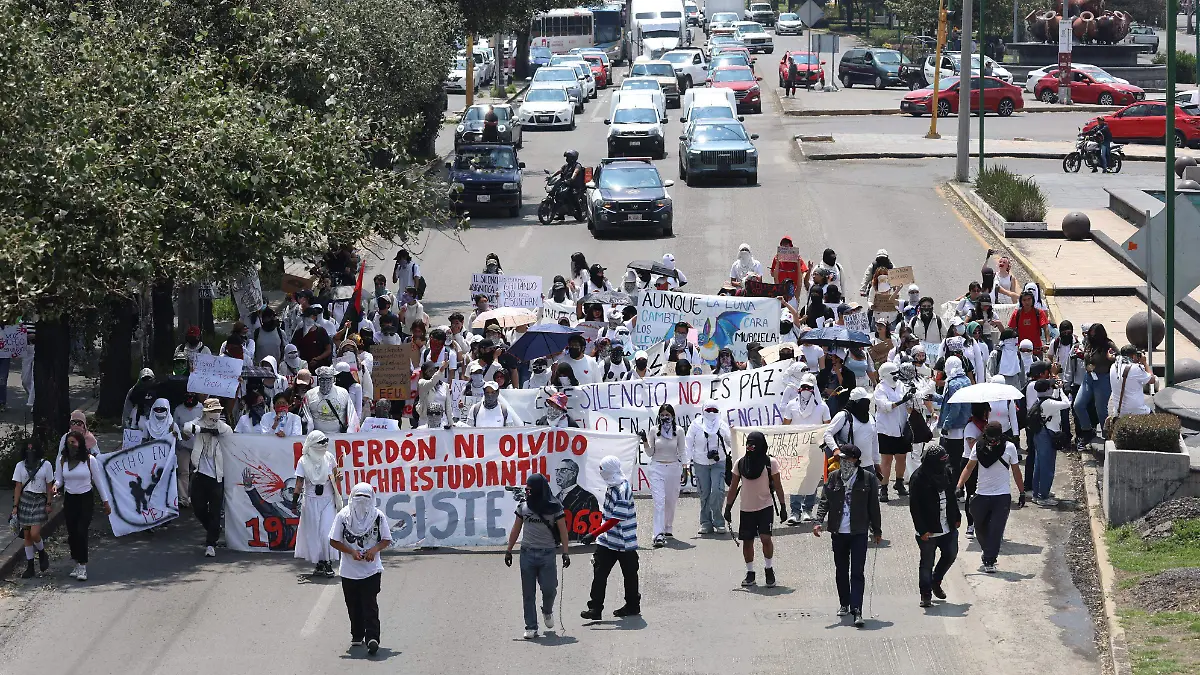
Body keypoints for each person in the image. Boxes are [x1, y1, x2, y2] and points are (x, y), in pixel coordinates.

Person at [813, 444, 882, 627]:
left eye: (846, 458)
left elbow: (873, 507)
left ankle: (857, 610)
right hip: (838, 532)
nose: (843, 462)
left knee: (857, 572)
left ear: (855, 460)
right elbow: (824, 500)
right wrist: (818, 521)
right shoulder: (834, 478)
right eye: (841, 458)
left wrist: (877, 530)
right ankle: (844, 603)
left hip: (858, 532)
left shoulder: (868, 479)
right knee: (841, 571)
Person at [504, 473, 571, 639]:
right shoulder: (523, 507)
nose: (527, 492)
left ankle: (547, 610)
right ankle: (531, 627)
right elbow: (516, 528)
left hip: (547, 554)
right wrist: (509, 549)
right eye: (526, 489)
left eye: (530, 489)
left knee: (549, 589)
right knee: (528, 593)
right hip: (527, 553)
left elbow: (563, 530)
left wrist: (565, 552)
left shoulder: (555, 507)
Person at [328, 483, 392, 656]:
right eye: (358, 497)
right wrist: (351, 552)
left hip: (371, 570)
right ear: (351, 497)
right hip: (349, 570)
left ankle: (372, 638)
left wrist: (373, 550)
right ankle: (357, 635)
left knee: (370, 603)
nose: (362, 501)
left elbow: (386, 539)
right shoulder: (343, 517)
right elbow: (333, 540)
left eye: (366, 497)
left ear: (372, 498)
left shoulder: (378, 517)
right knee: (353, 604)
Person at [956, 422, 1024, 573]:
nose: (992, 441)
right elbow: (969, 467)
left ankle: (989, 559)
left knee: (996, 529)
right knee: (980, 528)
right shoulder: (978, 447)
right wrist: (959, 486)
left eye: (995, 438)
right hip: (982, 494)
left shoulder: (1009, 447)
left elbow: (1016, 472)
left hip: (1002, 496)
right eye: (990, 437)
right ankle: (988, 551)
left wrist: (1022, 492)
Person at [580, 456, 640, 620]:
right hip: (607, 540)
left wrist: (594, 534)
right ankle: (595, 608)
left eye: (602, 470)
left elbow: (616, 519)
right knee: (599, 574)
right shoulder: (611, 486)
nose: (600, 473)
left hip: (625, 541)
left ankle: (633, 605)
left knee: (630, 575)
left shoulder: (622, 490)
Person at [725, 431, 787, 587]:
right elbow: (733, 487)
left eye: (754, 444)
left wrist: (783, 506)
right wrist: (728, 507)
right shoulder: (740, 463)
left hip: (765, 506)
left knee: (766, 538)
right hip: (746, 508)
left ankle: (768, 568)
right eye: (749, 443)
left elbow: (778, 486)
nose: (751, 447)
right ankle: (750, 573)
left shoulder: (770, 463)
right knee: (747, 542)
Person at [907, 444, 960, 607]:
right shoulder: (918, 478)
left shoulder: (946, 472)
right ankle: (926, 594)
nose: (944, 465)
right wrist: (922, 530)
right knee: (927, 563)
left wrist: (956, 516)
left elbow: (951, 497)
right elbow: (914, 507)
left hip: (947, 525)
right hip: (928, 530)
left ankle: (936, 581)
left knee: (950, 554)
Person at [56, 430, 112, 581]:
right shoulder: (63, 460)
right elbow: (59, 479)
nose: (71, 445)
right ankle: (76, 561)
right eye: (68, 443)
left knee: (81, 531)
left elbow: (99, 482)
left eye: (73, 442)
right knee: (72, 533)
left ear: (80, 443)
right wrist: (55, 486)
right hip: (70, 500)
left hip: (85, 499)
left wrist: (106, 502)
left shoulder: (89, 460)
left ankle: (83, 565)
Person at [180, 398, 232, 557]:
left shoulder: (222, 427)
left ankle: (211, 543)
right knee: (198, 507)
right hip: (200, 472)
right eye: (212, 411)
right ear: (205, 412)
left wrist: (216, 431)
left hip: (217, 475)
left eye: (218, 411)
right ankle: (213, 528)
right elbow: (187, 428)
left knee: (216, 510)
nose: (215, 414)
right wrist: (202, 430)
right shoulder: (198, 423)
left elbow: (229, 433)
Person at [293, 431, 341, 577]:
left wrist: (338, 478)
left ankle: (327, 562)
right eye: (320, 443)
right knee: (314, 534)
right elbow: (299, 483)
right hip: (311, 501)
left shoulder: (329, 457)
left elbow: (335, 475)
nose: (324, 445)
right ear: (312, 444)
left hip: (327, 500)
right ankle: (319, 563)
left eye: (325, 442)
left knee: (326, 532)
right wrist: (294, 502)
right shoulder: (303, 461)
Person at [685, 403, 732, 535]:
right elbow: (688, 444)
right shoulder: (695, 425)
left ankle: (718, 521)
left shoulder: (722, 425)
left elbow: (731, 441)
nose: (711, 412)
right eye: (708, 410)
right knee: (704, 493)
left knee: (717, 491)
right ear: (703, 410)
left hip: (719, 462)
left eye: (714, 410)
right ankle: (705, 522)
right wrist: (686, 463)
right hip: (701, 463)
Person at [644, 404, 685, 548]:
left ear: (673, 415)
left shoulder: (679, 431)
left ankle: (668, 527)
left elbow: (682, 451)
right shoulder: (654, 431)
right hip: (657, 468)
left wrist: (685, 469)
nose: (665, 417)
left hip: (673, 468)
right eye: (662, 414)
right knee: (659, 501)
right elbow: (650, 453)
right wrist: (644, 441)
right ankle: (657, 534)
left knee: (671, 500)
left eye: (668, 414)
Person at [12, 438, 54, 578]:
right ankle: (30, 566)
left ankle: (42, 553)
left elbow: (49, 486)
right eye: (28, 449)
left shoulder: (46, 465)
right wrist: (15, 506)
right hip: (25, 500)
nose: (30, 452)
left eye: (33, 449)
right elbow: (18, 487)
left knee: (35, 533)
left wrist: (49, 503)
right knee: (27, 535)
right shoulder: (20, 466)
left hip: (39, 500)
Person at [1028, 379, 1072, 506]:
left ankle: (1037, 493)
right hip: (1046, 436)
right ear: (1047, 390)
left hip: (1039, 435)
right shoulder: (1049, 403)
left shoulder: (1039, 401)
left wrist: (1057, 389)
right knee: (1047, 467)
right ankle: (1043, 497)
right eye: (1051, 387)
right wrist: (1062, 390)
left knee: (1039, 466)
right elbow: (1067, 404)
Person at [874, 362, 913, 502]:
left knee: (901, 457)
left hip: (901, 428)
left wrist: (910, 399)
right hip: (886, 429)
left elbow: (908, 405)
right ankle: (883, 488)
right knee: (887, 460)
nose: (896, 376)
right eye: (893, 374)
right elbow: (885, 407)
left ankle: (899, 482)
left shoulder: (901, 385)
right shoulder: (880, 389)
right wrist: (902, 401)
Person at [305, 366, 359, 434]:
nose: (325, 383)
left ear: (333, 380)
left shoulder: (343, 393)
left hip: (338, 438)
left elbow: (352, 416)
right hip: (317, 438)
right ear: (318, 380)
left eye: (328, 380)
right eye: (322, 379)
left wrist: (350, 435)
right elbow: (306, 419)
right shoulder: (309, 394)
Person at [1110, 344, 1155, 418]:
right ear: (1134, 356)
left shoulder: (1113, 367)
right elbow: (1152, 380)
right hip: (1137, 411)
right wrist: (1144, 363)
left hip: (1119, 411)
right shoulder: (1136, 369)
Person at [1009, 290, 1050, 354]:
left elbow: (1046, 328)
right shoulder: (1016, 313)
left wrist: (1048, 343)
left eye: (1029, 299)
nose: (1027, 302)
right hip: (1021, 350)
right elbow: (1011, 329)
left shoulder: (1039, 313)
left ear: (1033, 300)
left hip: (1036, 349)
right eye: (1024, 300)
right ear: (1021, 301)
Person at [292, 305, 333, 369]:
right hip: (302, 367)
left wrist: (317, 359)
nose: (306, 319)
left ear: (314, 317)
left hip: (319, 367)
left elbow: (328, 350)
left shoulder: (321, 332)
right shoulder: (299, 333)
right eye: (304, 317)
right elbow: (293, 348)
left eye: (308, 317)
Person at [557, 150, 585, 221]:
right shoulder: (566, 166)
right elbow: (559, 171)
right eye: (566, 157)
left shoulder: (577, 165)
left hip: (575, 186)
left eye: (568, 157)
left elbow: (575, 172)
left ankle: (580, 215)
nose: (567, 159)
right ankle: (561, 215)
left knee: (574, 198)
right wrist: (551, 176)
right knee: (559, 195)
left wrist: (572, 178)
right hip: (566, 184)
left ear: (573, 158)